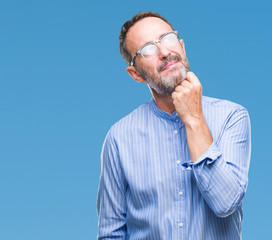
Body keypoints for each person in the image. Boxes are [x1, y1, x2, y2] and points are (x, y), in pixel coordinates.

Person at [97, 11, 251, 239]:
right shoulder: (119, 137)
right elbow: (111, 233)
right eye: (147, 49)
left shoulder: (232, 117)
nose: (164, 52)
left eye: (167, 39)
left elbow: (225, 203)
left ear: (182, 47)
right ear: (135, 74)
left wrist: (194, 118)